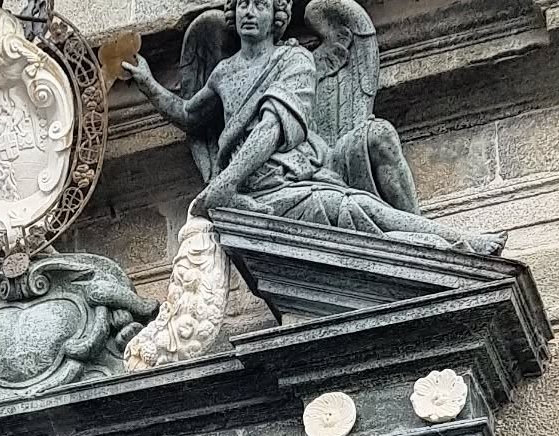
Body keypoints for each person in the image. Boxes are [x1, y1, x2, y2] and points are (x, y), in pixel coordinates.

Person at [124, 0, 505, 255]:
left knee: (359, 204)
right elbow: (190, 115)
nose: (249, 12)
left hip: (287, 177)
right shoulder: (224, 72)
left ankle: (445, 243)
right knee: (355, 209)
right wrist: (148, 84)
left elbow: (273, 126)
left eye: (260, 3)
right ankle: (442, 244)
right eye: (242, 4)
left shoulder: (295, 61)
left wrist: (225, 183)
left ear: (277, 14)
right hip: (260, 190)